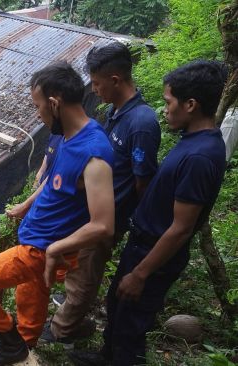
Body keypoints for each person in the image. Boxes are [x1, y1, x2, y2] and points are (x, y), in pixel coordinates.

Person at [0, 62, 115, 365]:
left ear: (54, 103)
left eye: (37, 105)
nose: (36, 113)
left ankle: (10, 342)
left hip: (43, 248)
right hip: (39, 239)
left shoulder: (94, 153)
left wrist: (55, 248)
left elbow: (104, 225)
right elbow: (52, 182)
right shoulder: (63, 135)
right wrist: (26, 205)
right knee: (31, 290)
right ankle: (26, 341)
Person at [69, 60, 228, 366]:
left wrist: (141, 273)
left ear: (191, 105)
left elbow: (181, 228)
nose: (165, 109)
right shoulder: (193, 142)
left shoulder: (199, 157)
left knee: (132, 324)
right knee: (118, 306)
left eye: (169, 102)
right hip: (142, 243)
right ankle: (106, 357)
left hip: (153, 252)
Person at [43, 42, 161, 347]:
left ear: (115, 80)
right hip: (88, 210)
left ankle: (62, 331)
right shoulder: (115, 112)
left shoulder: (142, 123)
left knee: (87, 273)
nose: (94, 90)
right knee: (78, 266)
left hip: (108, 216)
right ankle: (68, 310)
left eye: (96, 83)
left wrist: (119, 216)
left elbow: (142, 182)